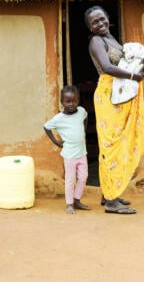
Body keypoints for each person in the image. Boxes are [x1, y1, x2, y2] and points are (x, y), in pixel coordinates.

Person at [84, 6, 144, 215]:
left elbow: (128, 60)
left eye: (102, 19)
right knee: (111, 144)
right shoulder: (96, 42)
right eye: (95, 22)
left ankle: (109, 192)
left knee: (118, 144)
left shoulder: (113, 39)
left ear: (108, 18)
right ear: (89, 27)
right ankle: (112, 202)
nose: (100, 24)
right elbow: (107, 66)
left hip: (120, 94)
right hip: (108, 96)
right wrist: (133, 77)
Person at [43, 85, 91, 214]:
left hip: (82, 153)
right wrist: (56, 141)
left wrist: (83, 131)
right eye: (68, 101)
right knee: (70, 179)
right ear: (62, 102)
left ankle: (77, 200)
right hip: (69, 155)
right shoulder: (59, 118)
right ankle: (69, 203)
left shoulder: (81, 111)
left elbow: (86, 117)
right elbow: (46, 127)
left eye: (74, 101)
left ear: (78, 100)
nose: (71, 104)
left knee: (83, 177)